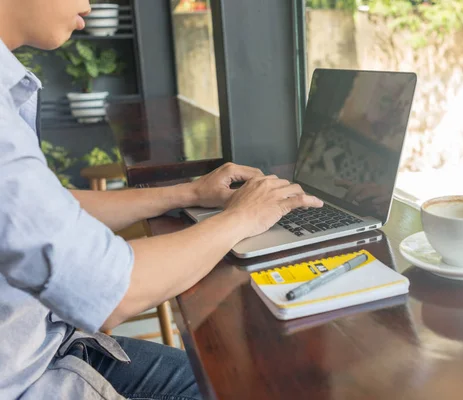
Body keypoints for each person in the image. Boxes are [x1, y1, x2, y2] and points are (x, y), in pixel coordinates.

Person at [0, 1, 323, 399]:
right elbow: (113, 291)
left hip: (44, 346)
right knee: (251, 384)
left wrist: (189, 193)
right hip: (29, 378)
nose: (90, 2)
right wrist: (241, 218)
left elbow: (46, 210)